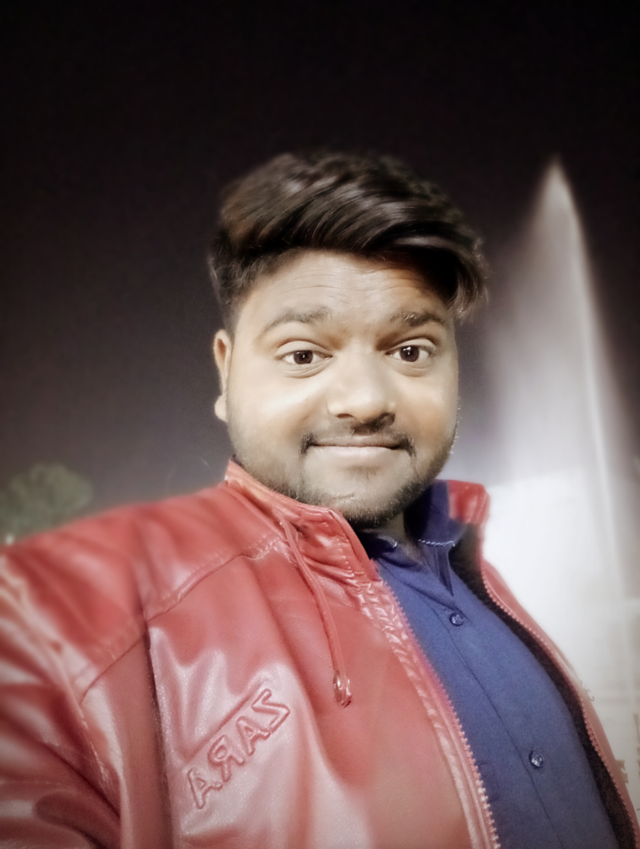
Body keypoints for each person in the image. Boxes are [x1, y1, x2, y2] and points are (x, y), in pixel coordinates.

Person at [0, 151, 637, 849]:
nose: (365, 400)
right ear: (227, 371)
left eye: (411, 350)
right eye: (304, 354)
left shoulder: (477, 569)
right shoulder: (60, 623)